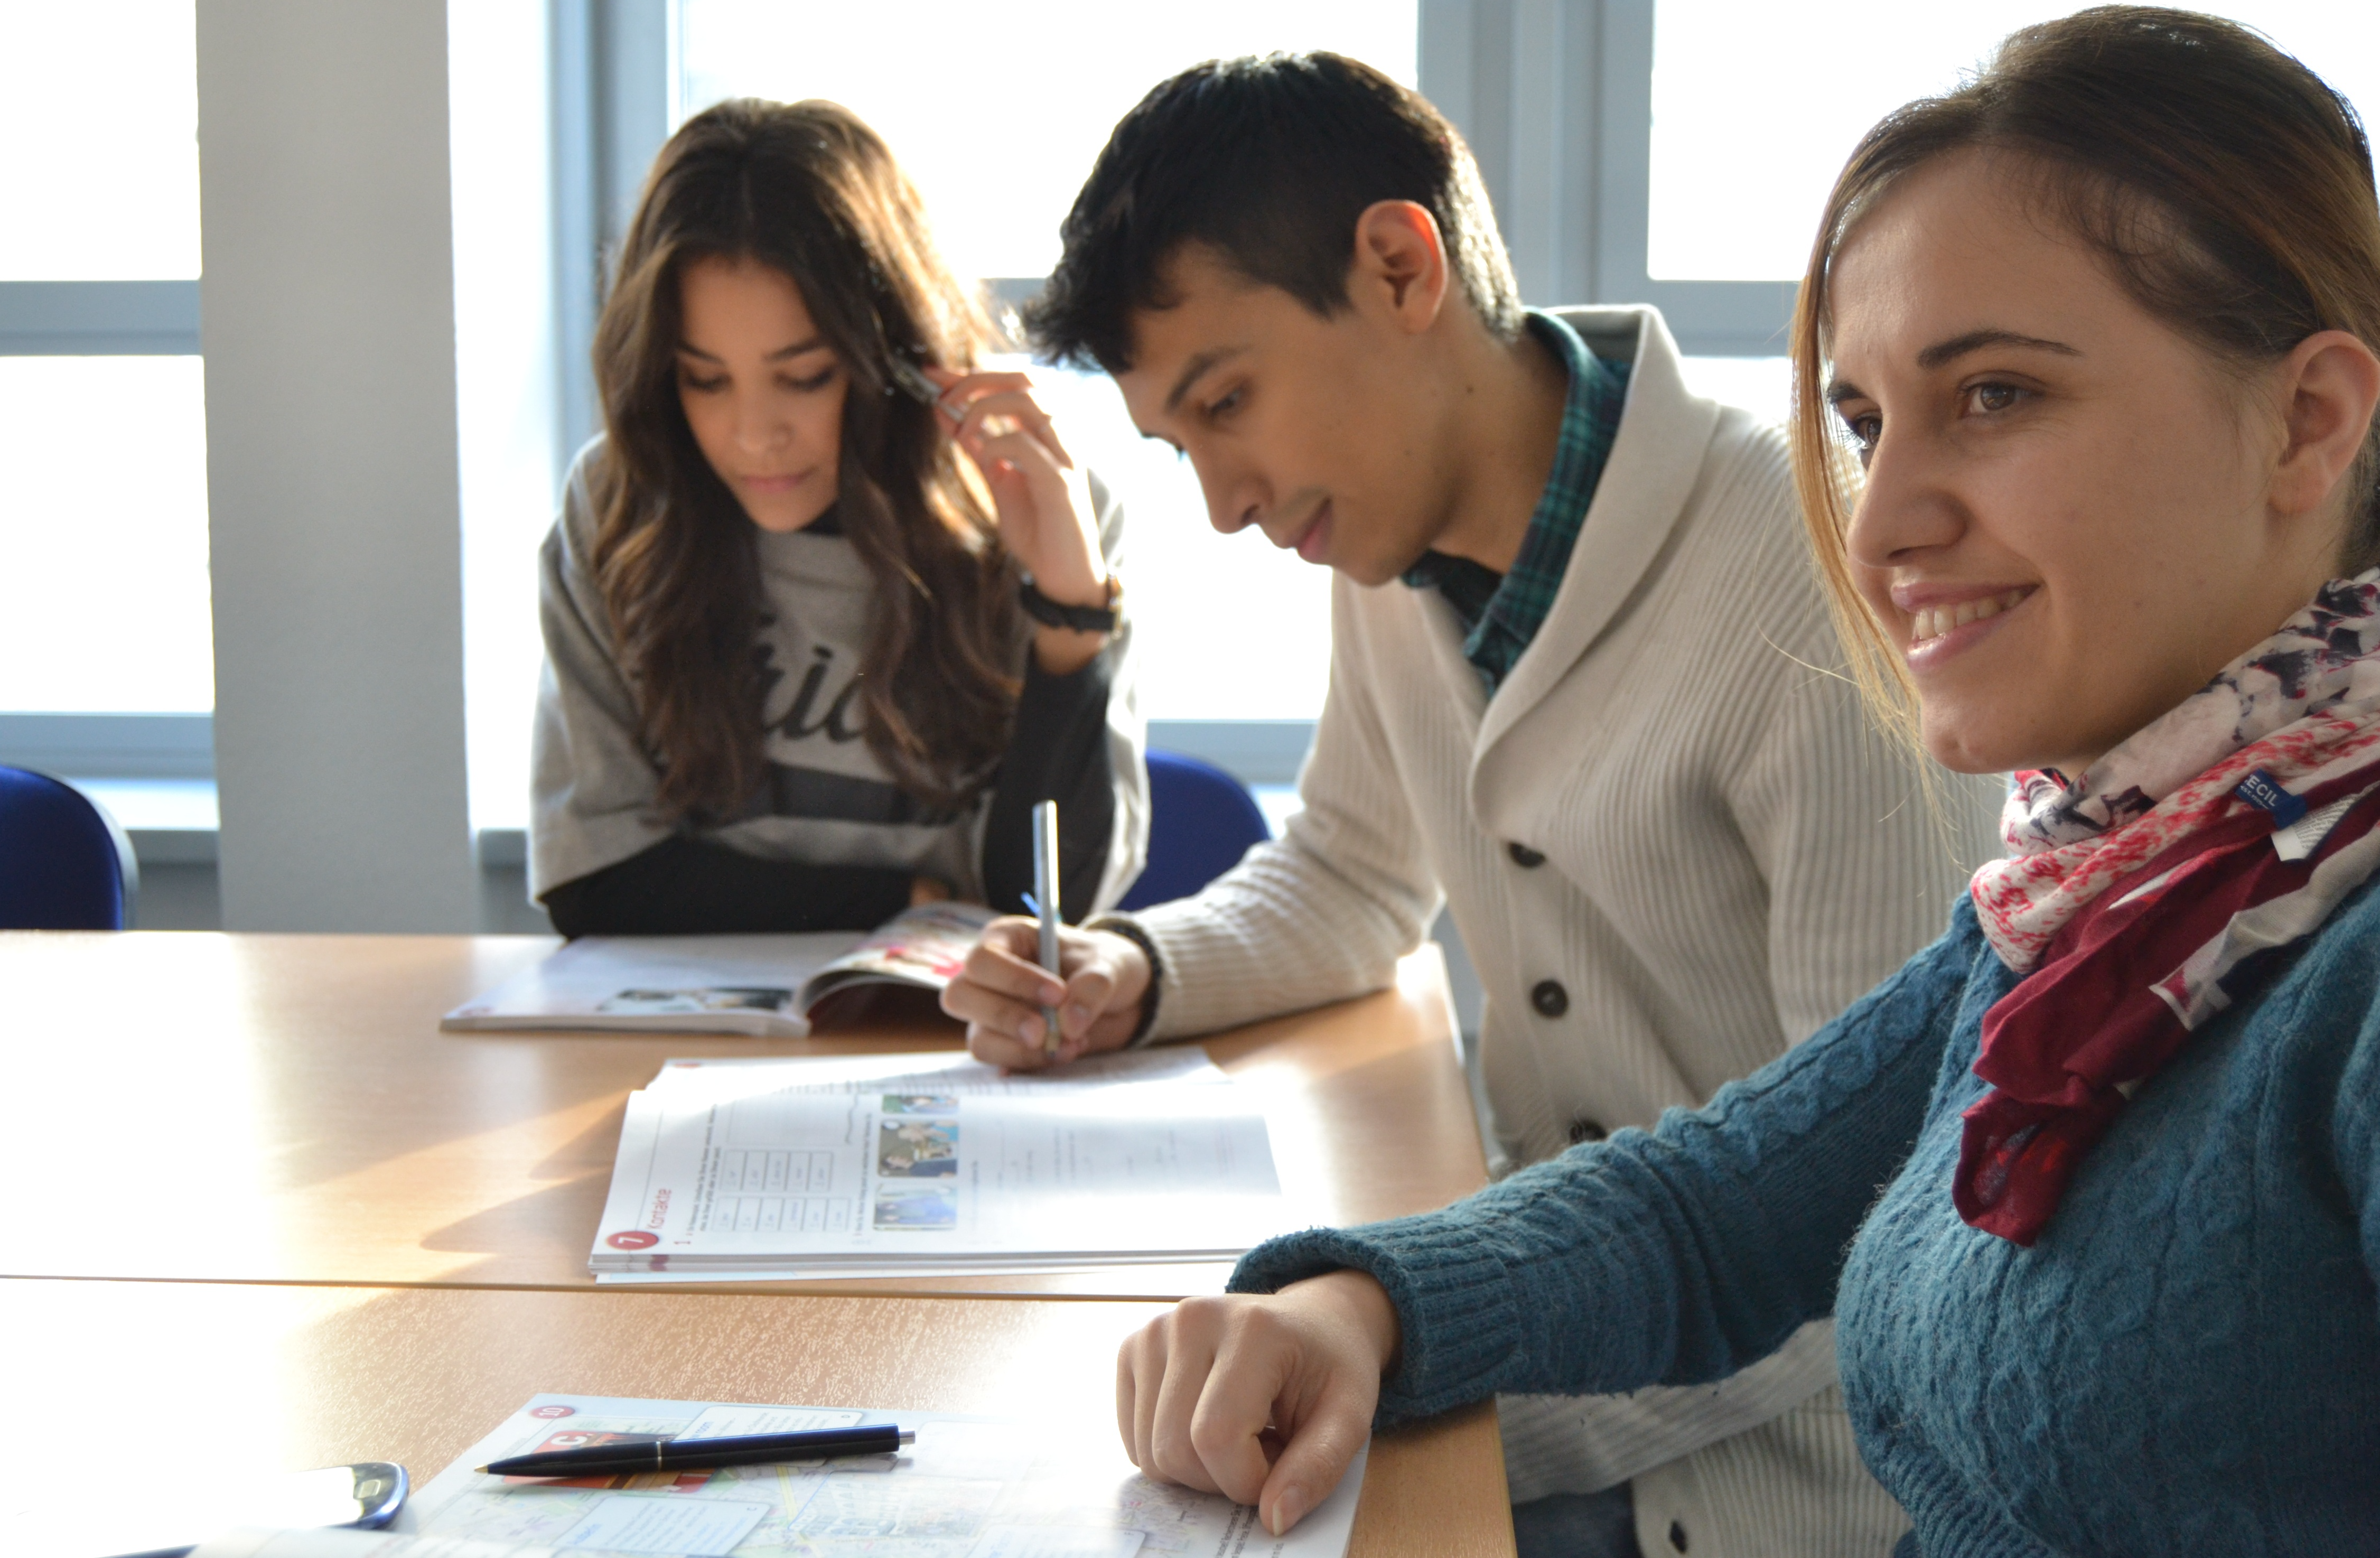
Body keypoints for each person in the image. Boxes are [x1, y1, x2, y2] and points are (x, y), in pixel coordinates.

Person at [1108, 10, 2380, 1553]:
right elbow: (1715, 1208)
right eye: (1862, 421)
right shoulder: (2111, 879)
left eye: (1996, 395)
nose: (1881, 520)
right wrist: (1359, 1302)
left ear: (2309, 421)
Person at [939, 51, 2002, 1558]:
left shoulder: (1806, 568)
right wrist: (1141, 969)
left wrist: (1431, 1391)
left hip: (1763, 1474)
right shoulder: (1385, 547)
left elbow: (1871, 1215)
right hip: (1535, 1335)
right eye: (1182, 449)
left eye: (1228, 402)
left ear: (1398, 263)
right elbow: (1352, 874)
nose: (1226, 504)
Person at [529, 99, 1147, 935]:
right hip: (682, 1042)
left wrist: (1070, 613)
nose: (754, 436)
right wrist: (907, 903)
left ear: (893, 361)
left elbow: (1044, 909)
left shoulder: (1034, 514)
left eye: (806, 376)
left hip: (949, 1042)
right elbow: (596, 882)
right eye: (704, 380)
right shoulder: (619, 507)